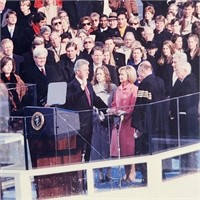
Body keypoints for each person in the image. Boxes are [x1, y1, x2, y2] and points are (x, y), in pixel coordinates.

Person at [131, 61, 168, 184]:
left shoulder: (144, 84)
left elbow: (142, 106)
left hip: (149, 125)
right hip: (161, 123)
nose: (138, 76)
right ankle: (161, 175)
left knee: (147, 151)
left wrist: (140, 127)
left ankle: (147, 178)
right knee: (159, 151)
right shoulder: (161, 81)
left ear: (143, 71)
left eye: (138, 73)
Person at [65, 59, 108, 162]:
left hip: (89, 123)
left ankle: (86, 172)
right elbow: (69, 100)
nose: (88, 72)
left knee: (88, 149)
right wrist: (82, 89)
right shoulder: (71, 85)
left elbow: (95, 99)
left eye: (88, 70)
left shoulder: (88, 84)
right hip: (77, 124)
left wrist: (107, 109)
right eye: (85, 70)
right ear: (77, 71)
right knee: (78, 150)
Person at [109, 65, 138, 183]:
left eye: (122, 74)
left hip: (129, 122)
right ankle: (126, 173)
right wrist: (112, 110)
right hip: (119, 122)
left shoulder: (134, 89)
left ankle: (132, 172)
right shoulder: (118, 89)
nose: (120, 76)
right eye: (119, 74)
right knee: (123, 149)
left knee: (130, 149)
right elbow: (115, 103)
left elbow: (133, 106)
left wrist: (125, 113)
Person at [90, 66, 117, 182]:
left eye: (101, 74)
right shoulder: (92, 88)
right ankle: (100, 174)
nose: (98, 76)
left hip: (109, 120)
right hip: (97, 121)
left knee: (108, 148)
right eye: (97, 74)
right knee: (97, 148)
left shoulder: (113, 87)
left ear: (106, 75)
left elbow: (115, 102)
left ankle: (109, 173)